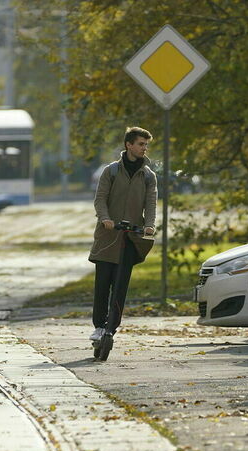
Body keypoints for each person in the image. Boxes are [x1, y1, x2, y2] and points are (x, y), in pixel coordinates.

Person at [88, 126, 157, 357]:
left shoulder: (148, 175)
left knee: (120, 287)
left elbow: (151, 203)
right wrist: (105, 219)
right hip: (108, 237)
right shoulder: (112, 171)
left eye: (146, 145)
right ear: (129, 145)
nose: (144, 148)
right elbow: (100, 199)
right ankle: (99, 326)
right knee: (103, 285)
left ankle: (111, 328)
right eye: (140, 144)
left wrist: (149, 224)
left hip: (130, 238)